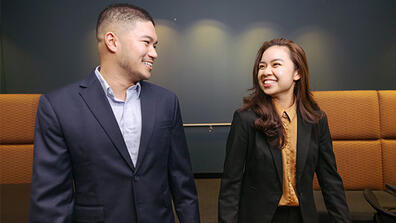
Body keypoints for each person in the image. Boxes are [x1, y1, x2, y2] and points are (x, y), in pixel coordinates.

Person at [29, 3, 200, 223]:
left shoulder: (166, 102)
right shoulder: (58, 107)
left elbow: (183, 184)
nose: (154, 53)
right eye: (146, 42)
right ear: (112, 41)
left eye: (156, 45)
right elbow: (51, 202)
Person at [218, 38, 351, 223]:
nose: (266, 72)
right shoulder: (245, 119)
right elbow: (231, 184)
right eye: (262, 66)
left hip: (303, 216)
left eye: (276, 65)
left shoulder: (316, 120)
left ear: (297, 72)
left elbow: (330, 181)